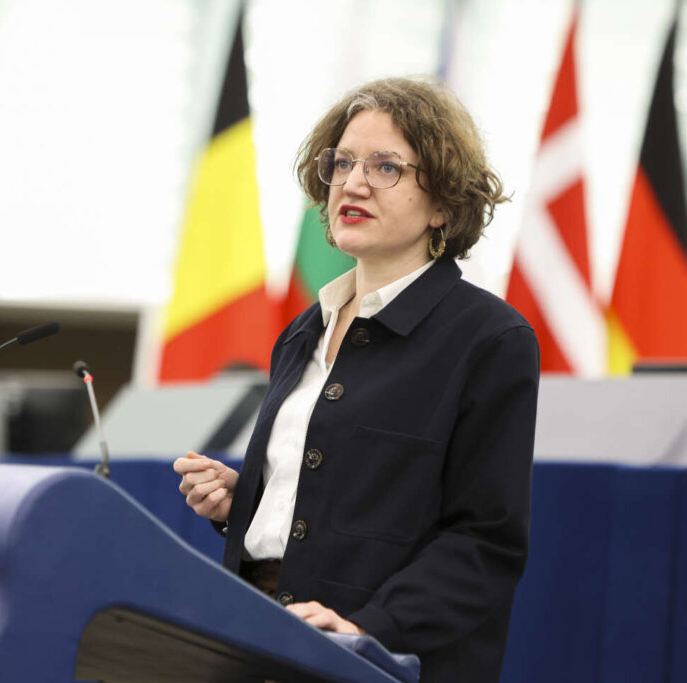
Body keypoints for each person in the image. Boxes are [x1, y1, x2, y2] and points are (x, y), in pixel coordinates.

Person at [173, 77, 539, 682]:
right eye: (342, 162)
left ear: (444, 202)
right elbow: (341, 499)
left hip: (383, 659)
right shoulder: (301, 332)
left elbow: (486, 542)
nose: (353, 182)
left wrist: (373, 627)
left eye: (386, 166)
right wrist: (246, 505)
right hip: (259, 634)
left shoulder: (489, 339)